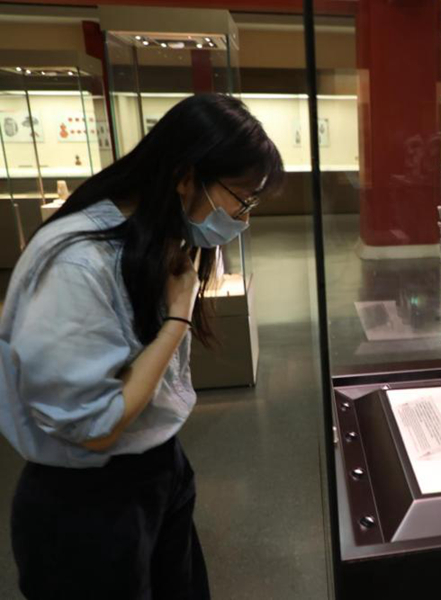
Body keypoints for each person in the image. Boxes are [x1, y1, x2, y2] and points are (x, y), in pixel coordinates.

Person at [0, 93, 283, 599]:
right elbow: (96, 427)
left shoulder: (149, 239)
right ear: (186, 176)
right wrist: (177, 318)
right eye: (240, 199)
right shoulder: (79, 263)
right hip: (89, 502)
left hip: (154, 469)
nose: (242, 217)